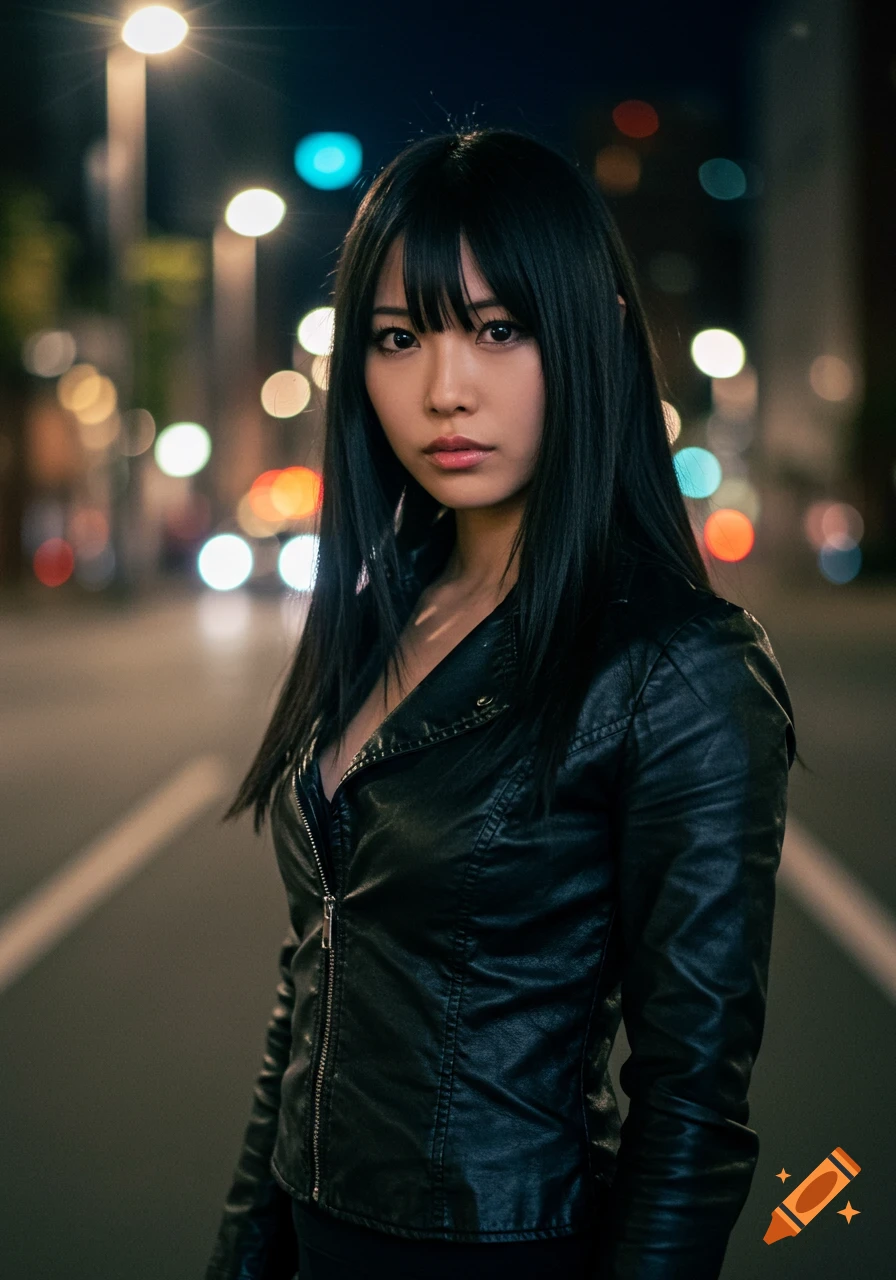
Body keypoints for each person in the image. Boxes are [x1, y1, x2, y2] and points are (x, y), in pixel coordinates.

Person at [204, 127, 798, 1280]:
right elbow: (312, 992)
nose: (443, 390)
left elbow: (692, 1105)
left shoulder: (678, 669)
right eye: (396, 337)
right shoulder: (388, 606)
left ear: (594, 336)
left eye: (496, 328)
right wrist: (241, 1251)